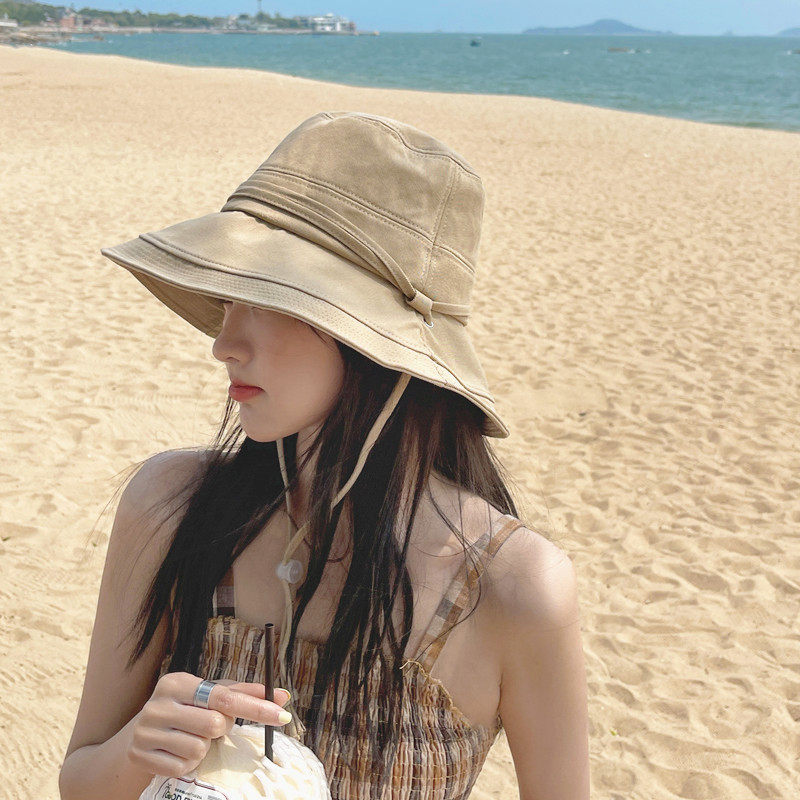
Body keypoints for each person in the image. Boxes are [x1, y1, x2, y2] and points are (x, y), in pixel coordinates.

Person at [59, 111, 590, 800]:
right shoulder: (171, 508)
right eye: (230, 296)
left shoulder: (511, 587)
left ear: (375, 343)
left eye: (268, 300)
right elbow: (80, 783)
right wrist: (139, 749)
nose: (224, 343)